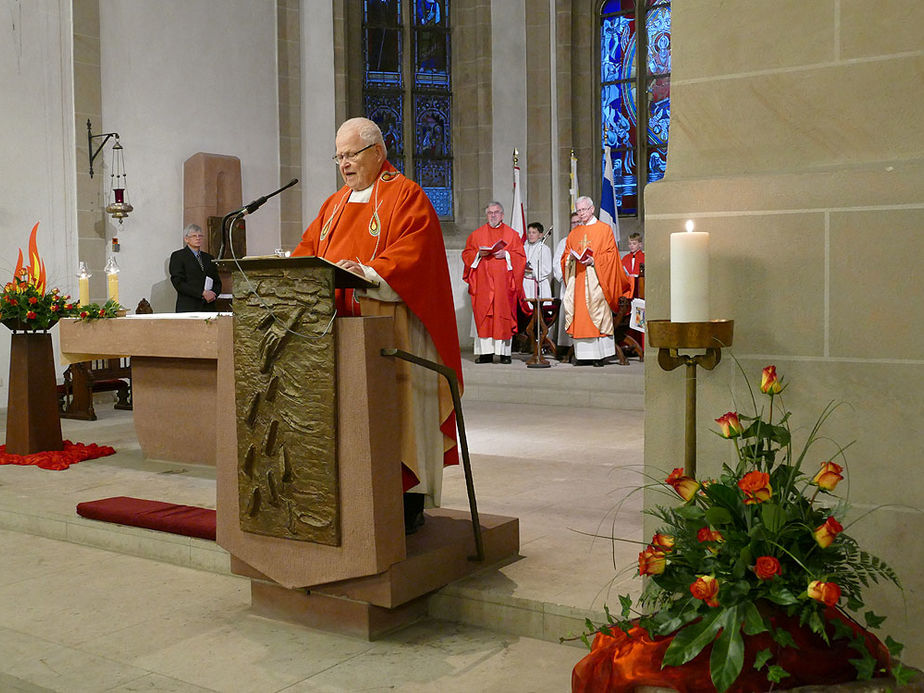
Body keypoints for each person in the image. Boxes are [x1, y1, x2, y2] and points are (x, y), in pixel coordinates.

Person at [290, 117, 462, 533]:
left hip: (391, 333)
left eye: (351, 155)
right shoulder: (332, 207)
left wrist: (367, 272)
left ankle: (405, 505)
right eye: (339, 157)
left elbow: (415, 254)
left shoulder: (406, 196)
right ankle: (350, 499)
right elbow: (306, 253)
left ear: (378, 153)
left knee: (397, 420)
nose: (344, 165)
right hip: (336, 336)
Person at [561, 196, 632, 366]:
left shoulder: (604, 229)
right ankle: (583, 355)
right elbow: (565, 256)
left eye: (584, 210)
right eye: (578, 210)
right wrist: (570, 258)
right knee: (580, 316)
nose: (581, 213)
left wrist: (594, 260)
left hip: (597, 280)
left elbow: (611, 256)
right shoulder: (574, 233)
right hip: (578, 280)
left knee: (597, 314)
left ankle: (600, 355)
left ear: (592, 209)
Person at [461, 201, 526, 364]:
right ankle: (485, 354)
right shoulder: (476, 235)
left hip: (503, 285)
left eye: (496, 212)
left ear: (502, 215)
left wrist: (507, 255)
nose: (493, 215)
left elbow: (520, 257)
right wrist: (478, 254)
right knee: (484, 316)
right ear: (486, 215)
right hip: (483, 283)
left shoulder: (512, 234)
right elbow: (467, 254)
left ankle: (504, 354)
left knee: (502, 315)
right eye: (490, 212)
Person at [169, 224, 222, 312]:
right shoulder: (178, 256)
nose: (198, 238)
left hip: (208, 306)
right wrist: (202, 293)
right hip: (189, 306)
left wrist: (213, 294)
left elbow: (217, 282)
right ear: (186, 239)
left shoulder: (209, 258)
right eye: (194, 236)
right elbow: (178, 282)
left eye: (200, 236)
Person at [553, 212, 581, 350]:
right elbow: (556, 263)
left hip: (584, 285)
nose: (576, 225)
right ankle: (566, 348)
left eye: (578, 222)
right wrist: (564, 278)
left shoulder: (587, 238)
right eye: (573, 222)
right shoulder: (564, 241)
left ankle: (582, 347)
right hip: (568, 285)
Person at [621, 231, 645, 350]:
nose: (631, 246)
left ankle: (640, 344)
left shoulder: (644, 257)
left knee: (639, 316)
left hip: (639, 291)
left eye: (634, 243)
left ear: (640, 244)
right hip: (628, 291)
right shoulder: (625, 258)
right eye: (630, 244)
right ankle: (627, 344)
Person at [523, 222, 552, 300]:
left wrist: (533, 271)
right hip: (526, 283)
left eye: (534, 232)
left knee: (539, 309)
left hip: (539, 283)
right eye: (529, 232)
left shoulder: (544, 249)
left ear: (540, 235)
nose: (531, 235)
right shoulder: (523, 248)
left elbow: (547, 268)